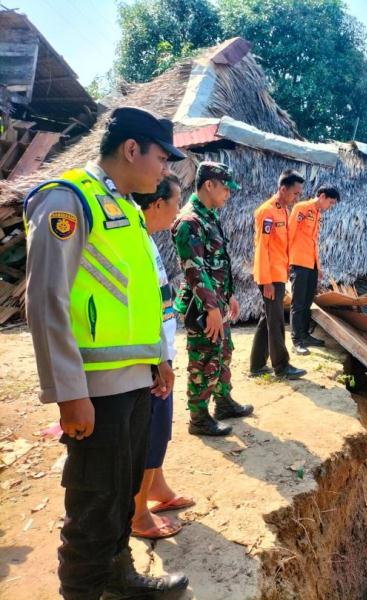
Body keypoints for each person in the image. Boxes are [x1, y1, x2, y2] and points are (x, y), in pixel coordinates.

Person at [23, 106, 189, 599]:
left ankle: (117, 575)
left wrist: (156, 357)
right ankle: (82, 589)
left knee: (120, 493)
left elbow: (138, 294)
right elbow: (47, 299)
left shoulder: (129, 211)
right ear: (132, 149)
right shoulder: (68, 199)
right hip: (96, 390)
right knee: (94, 501)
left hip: (135, 380)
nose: (166, 171)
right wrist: (69, 393)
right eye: (162, 158)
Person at [130, 174, 195, 540]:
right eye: (175, 201)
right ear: (157, 204)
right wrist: (159, 359)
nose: (178, 209)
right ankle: (138, 514)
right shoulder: (136, 240)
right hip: (151, 358)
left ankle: (157, 488)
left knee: (160, 429)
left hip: (160, 353)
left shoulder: (147, 239)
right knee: (148, 432)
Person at [172, 161, 253, 437]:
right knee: (203, 360)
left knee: (223, 353)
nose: (228, 194)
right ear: (209, 184)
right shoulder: (189, 221)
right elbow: (194, 269)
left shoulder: (209, 216)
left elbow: (219, 262)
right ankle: (198, 418)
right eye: (225, 188)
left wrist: (228, 296)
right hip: (202, 307)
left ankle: (224, 402)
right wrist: (210, 308)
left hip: (217, 302)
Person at [249, 169, 308, 378]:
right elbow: (262, 248)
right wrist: (266, 281)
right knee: (275, 321)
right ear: (283, 189)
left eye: (299, 194)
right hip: (270, 276)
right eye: (295, 193)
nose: (297, 198)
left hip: (278, 273)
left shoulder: (283, 209)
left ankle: (256, 365)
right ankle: (282, 367)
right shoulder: (267, 211)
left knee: (268, 318)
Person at [288, 185, 340, 355]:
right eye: (330, 203)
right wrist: (287, 261)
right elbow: (290, 234)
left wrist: (318, 266)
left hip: (311, 264)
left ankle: (305, 334)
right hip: (299, 262)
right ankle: (296, 341)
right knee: (298, 302)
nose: (330, 207)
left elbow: (312, 241)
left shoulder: (317, 214)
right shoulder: (301, 208)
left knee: (308, 301)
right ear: (322, 196)